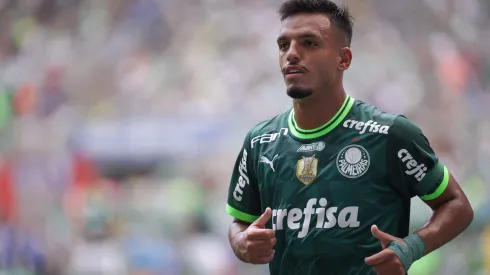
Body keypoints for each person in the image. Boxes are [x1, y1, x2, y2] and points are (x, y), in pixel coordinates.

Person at [225, 0, 474, 274]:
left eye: (309, 43)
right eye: (284, 45)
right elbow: (239, 223)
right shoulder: (260, 142)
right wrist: (241, 243)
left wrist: (411, 248)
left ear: (343, 59)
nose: (292, 54)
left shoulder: (390, 134)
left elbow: (457, 205)